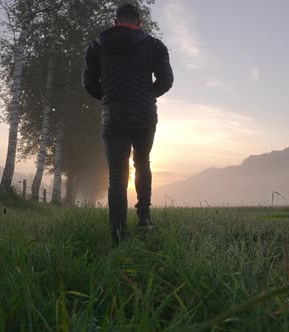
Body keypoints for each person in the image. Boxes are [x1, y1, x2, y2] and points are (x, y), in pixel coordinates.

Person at [82, 3, 174, 244]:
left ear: (115, 22)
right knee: (143, 164)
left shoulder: (97, 46)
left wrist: (110, 98)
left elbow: (89, 83)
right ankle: (144, 220)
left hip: (114, 117)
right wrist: (147, 96)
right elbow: (166, 80)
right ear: (138, 23)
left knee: (116, 176)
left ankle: (118, 234)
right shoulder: (154, 45)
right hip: (144, 117)